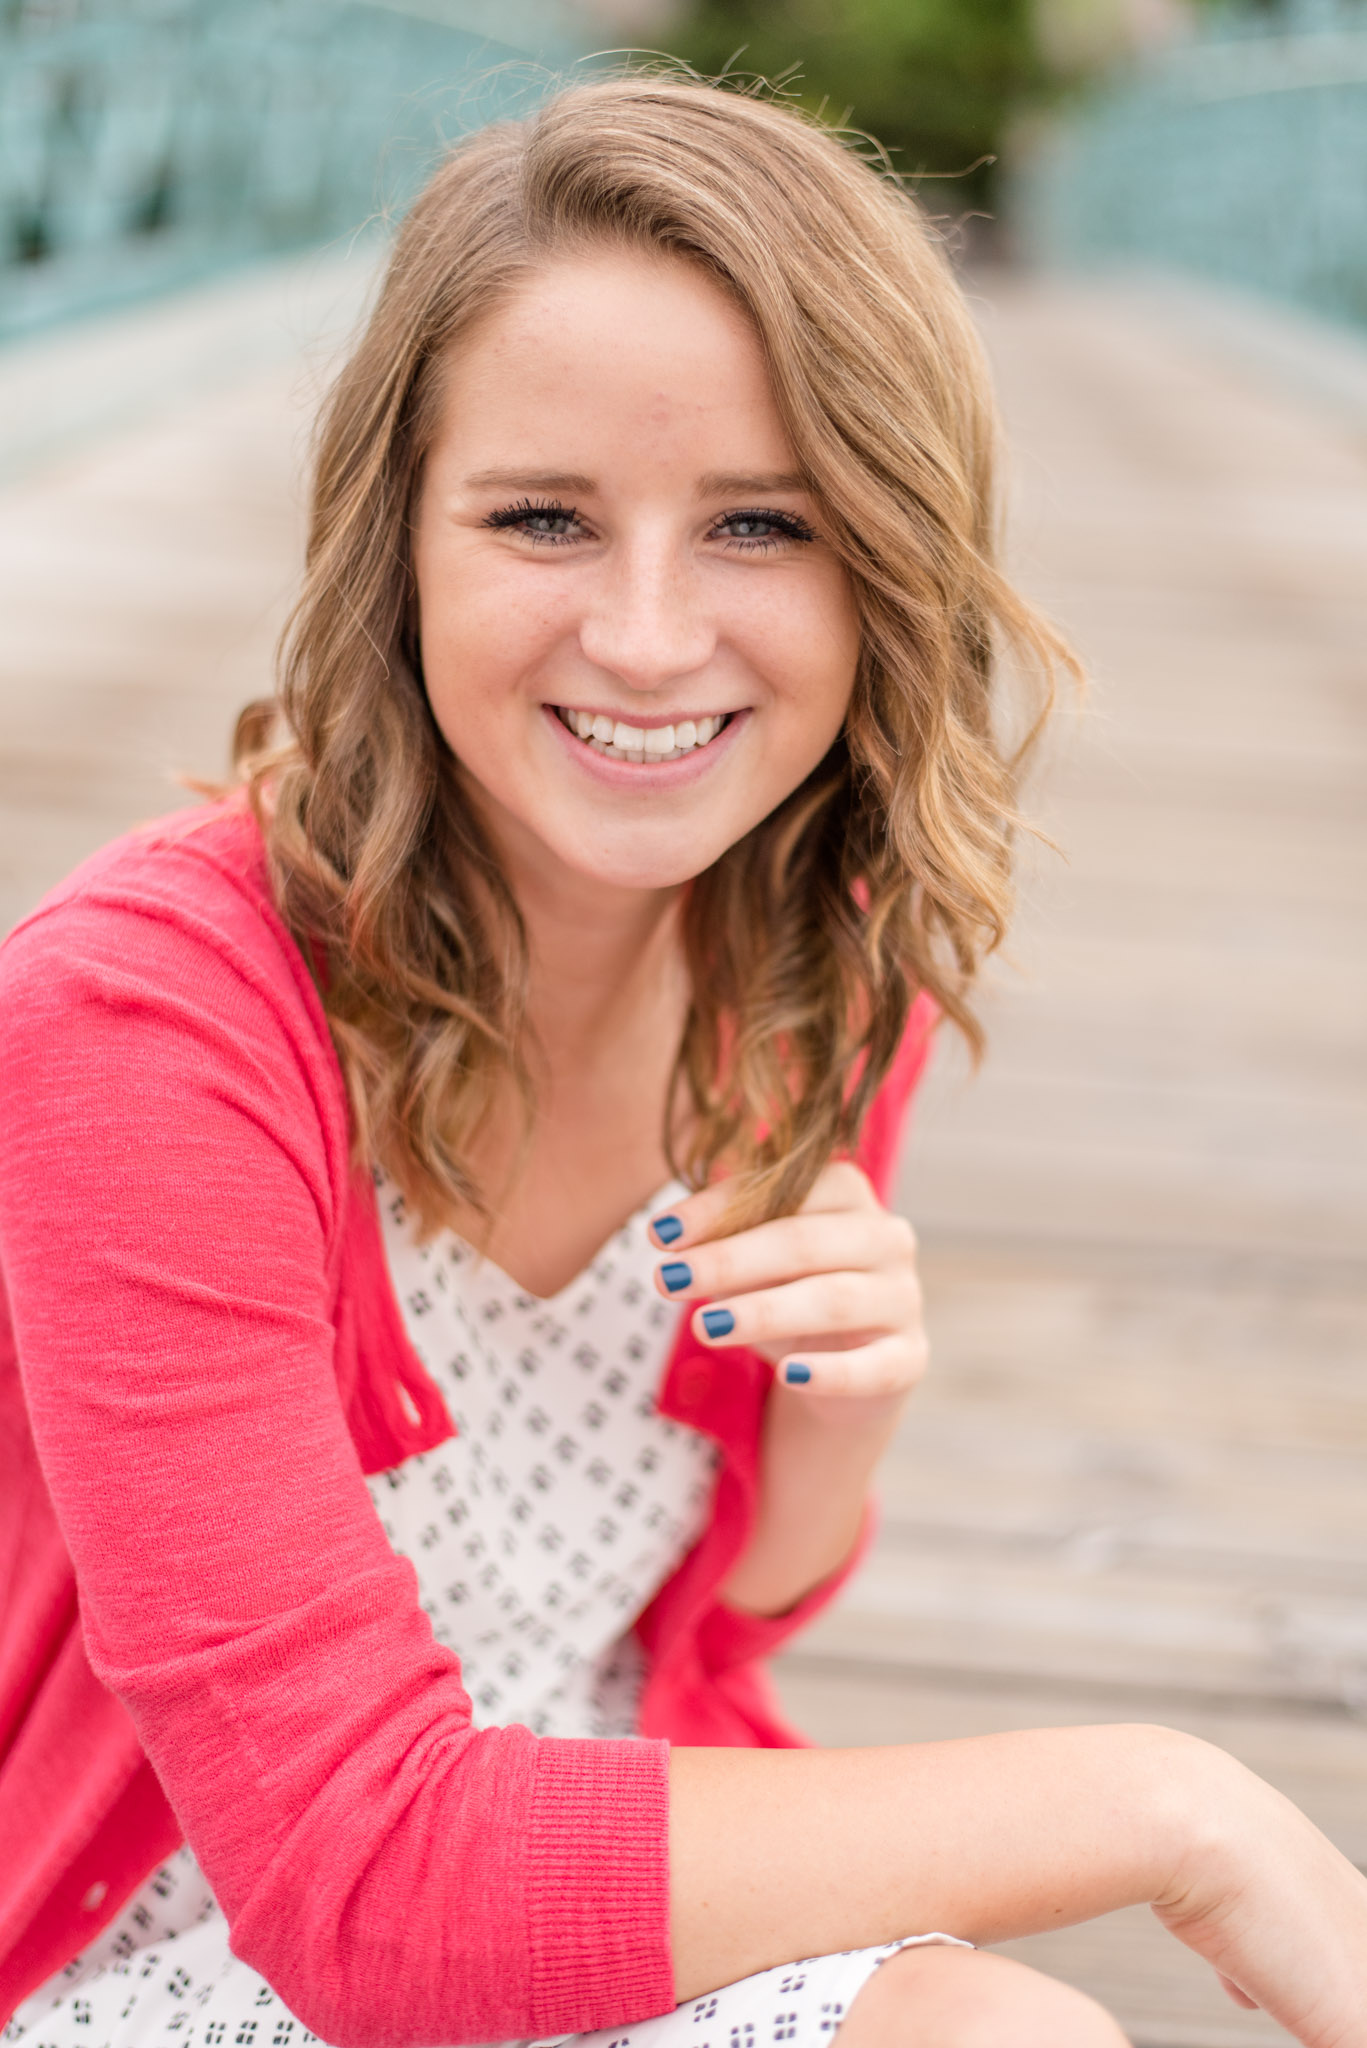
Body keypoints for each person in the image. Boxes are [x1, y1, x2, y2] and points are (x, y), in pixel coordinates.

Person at [0, 72, 1363, 2048]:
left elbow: (705, 1622)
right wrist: (1178, 1805)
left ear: (882, 560)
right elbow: (357, 1883)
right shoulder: (149, 1017)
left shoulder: (813, 950)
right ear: (397, 545)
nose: (648, 639)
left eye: (760, 524)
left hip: (600, 1843)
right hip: (200, 1944)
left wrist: (834, 1434)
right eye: (543, 517)